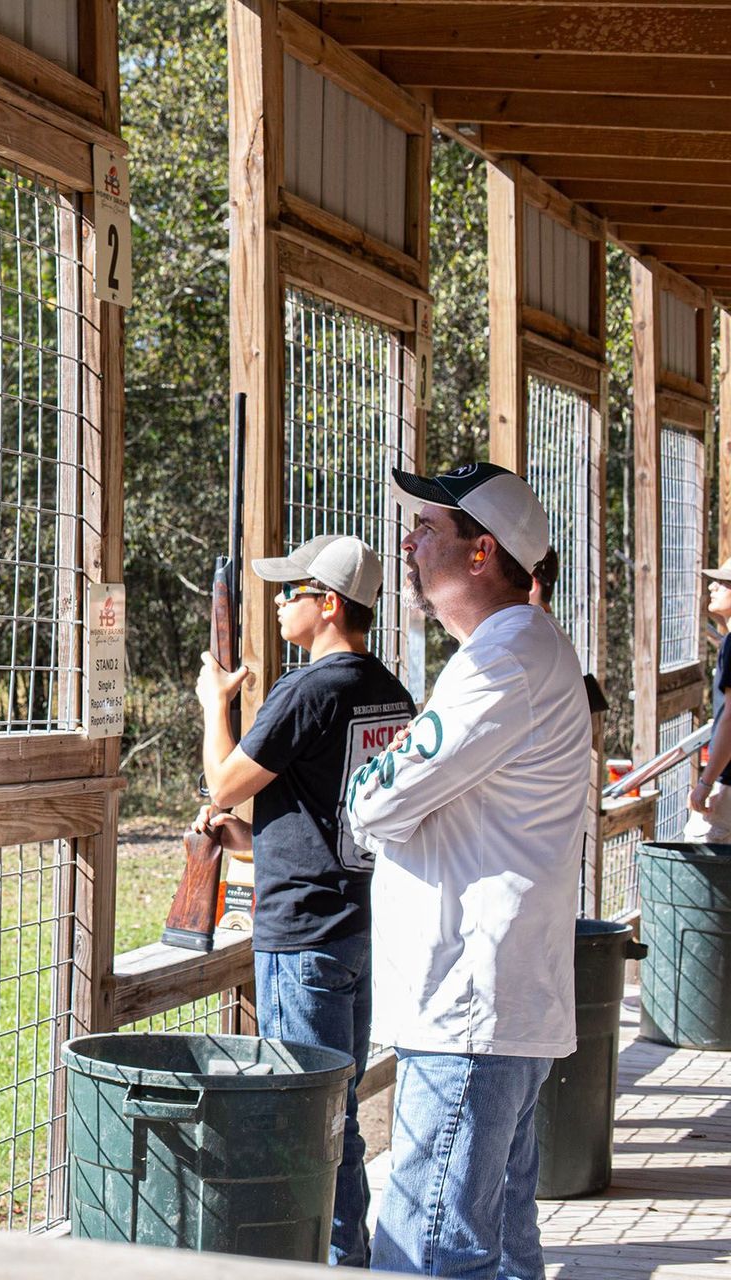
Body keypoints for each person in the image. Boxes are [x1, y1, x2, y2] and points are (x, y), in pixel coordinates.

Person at [346, 462, 588, 1280]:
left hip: (469, 1008)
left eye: (428, 530)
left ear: (481, 553)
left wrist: (382, 792)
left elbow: (377, 801)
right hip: (488, 1004)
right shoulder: (512, 649)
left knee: (430, 1250)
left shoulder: (503, 661)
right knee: (496, 1247)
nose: (409, 543)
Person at [191, 533, 414, 1268]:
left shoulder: (308, 690)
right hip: (355, 925)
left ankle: (337, 1258)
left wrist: (212, 704)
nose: (280, 604)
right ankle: (349, 1251)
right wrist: (252, 843)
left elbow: (223, 781)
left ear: (328, 605)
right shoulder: (388, 691)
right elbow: (335, 813)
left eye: (293, 593)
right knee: (338, 1111)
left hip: (303, 937)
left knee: (310, 1115)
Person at [686, 558, 731, 839]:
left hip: (728, 786)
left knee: (698, 862)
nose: (712, 587)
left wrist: (706, 782)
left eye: (724, 582)